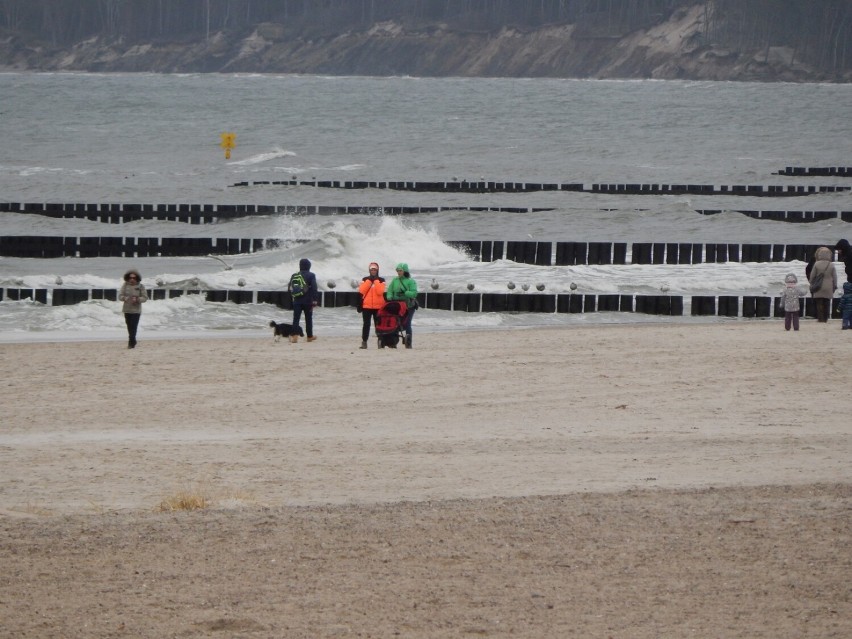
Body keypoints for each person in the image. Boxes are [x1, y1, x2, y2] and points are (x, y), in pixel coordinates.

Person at [385, 262, 418, 349]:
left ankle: (409, 342)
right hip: (397, 305)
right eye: (398, 271)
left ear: (405, 271)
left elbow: (414, 293)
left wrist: (406, 293)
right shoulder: (395, 280)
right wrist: (389, 296)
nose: (398, 272)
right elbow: (390, 290)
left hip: (409, 306)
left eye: (400, 271)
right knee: (395, 323)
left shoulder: (411, 281)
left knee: (407, 323)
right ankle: (393, 342)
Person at [288, 258, 318, 343]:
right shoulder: (311, 275)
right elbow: (314, 288)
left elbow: (290, 288)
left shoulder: (294, 275)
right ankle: (309, 336)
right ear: (309, 266)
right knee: (308, 318)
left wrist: (292, 298)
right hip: (308, 301)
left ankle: (294, 336)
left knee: (296, 319)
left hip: (297, 300)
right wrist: (315, 299)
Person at [357, 262, 386, 349]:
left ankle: (380, 341)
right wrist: (369, 280)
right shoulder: (365, 279)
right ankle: (364, 341)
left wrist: (376, 280)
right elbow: (362, 291)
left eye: (375, 270)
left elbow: (380, 291)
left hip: (378, 307)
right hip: (367, 306)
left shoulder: (381, 280)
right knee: (366, 324)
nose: (373, 271)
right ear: (369, 270)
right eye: (371, 269)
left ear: (377, 270)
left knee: (378, 325)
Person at [119, 268, 148, 349]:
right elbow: (120, 296)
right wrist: (124, 298)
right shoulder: (125, 285)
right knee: (129, 326)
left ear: (137, 278)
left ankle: (131, 343)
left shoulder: (140, 286)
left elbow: (145, 298)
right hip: (127, 310)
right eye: (130, 278)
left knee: (133, 326)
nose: (132, 279)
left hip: (136, 311)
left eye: (134, 278)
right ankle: (133, 340)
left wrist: (138, 299)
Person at [808, 246, 837, 323]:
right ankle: (826, 319)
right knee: (827, 303)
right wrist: (835, 285)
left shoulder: (816, 264)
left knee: (819, 303)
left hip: (819, 286)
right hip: (828, 286)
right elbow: (835, 277)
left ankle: (820, 319)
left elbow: (812, 276)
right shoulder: (831, 265)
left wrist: (811, 283)